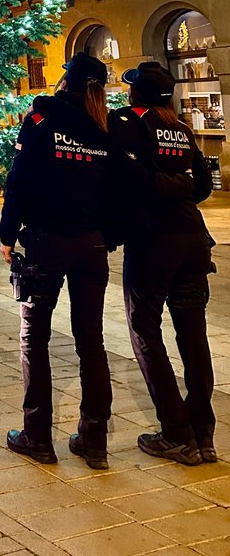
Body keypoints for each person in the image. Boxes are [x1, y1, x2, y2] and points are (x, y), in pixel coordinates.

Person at [0, 52, 119, 469]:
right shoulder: (104, 129)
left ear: (65, 82)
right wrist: (107, 236)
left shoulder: (40, 120)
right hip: (91, 246)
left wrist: (6, 234)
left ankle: (38, 437)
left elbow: (19, 179)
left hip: (48, 243)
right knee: (92, 342)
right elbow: (118, 191)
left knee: (34, 339)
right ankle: (94, 441)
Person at [109, 61, 215, 466]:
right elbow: (201, 185)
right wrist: (179, 188)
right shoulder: (181, 129)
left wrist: (155, 189)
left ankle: (176, 432)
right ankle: (203, 434)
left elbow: (129, 178)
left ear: (136, 93)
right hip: (192, 239)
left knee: (145, 330)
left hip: (153, 241)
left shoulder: (130, 124)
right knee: (193, 335)